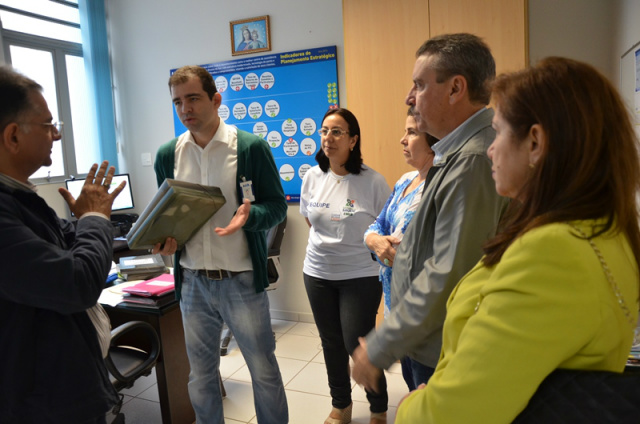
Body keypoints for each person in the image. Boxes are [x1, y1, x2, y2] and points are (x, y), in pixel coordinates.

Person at [395, 56, 640, 423]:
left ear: (536, 142)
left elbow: (456, 413)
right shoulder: (605, 228)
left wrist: (412, 407)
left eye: (499, 132)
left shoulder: (552, 252)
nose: (491, 148)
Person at [352, 33, 508, 391]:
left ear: (456, 89)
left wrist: (380, 345)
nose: (409, 97)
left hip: (443, 346)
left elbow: (447, 273)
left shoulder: (471, 161)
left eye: (419, 85)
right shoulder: (457, 153)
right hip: (426, 338)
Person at [153, 65, 288, 424]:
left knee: (263, 370)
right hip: (192, 281)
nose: (186, 109)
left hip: (241, 280)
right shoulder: (168, 155)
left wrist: (251, 217)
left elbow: (275, 206)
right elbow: (166, 217)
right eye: (178, 102)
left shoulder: (249, 148)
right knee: (201, 375)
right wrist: (165, 241)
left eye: (193, 98)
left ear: (215, 99)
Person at [0, 66, 125, 423]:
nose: (55, 134)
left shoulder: (21, 197)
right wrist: (95, 218)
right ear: (13, 136)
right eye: (48, 125)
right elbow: (77, 282)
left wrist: (87, 220)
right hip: (42, 404)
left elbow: (65, 239)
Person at [300, 108, 391, 424]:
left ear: (353, 140)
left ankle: (378, 407)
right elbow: (312, 223)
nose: (328, 138)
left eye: (337, 131)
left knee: (359, 342)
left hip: (361, 276)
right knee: (331, 342)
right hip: (318, 273)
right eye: (324, 131)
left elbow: (386, 227)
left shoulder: (373, 181)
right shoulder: (312, 177)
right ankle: (341, 404)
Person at [364, 107, 436, 391]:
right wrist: (376, 241)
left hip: (423, 315)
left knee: (426, 393)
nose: (403, 140)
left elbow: (420, 251)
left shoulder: (439, 186)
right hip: (395, 306)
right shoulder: (405, 181)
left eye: (411, 132)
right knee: (410, 384)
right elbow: (375, 227)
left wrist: (390, 247)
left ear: (434, 139)